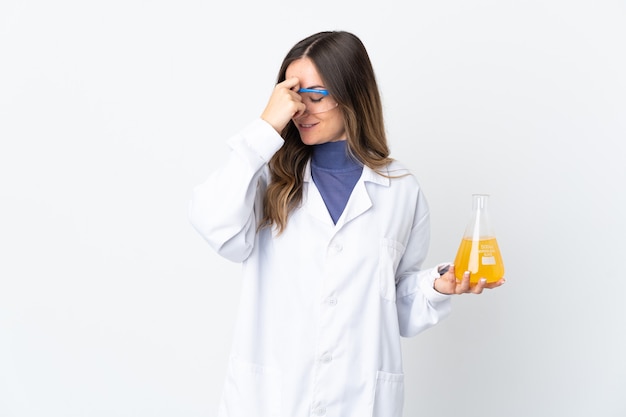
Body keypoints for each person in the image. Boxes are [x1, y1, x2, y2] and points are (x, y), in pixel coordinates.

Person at [189, 30, 504, 417]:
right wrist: (266, 128)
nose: (301, 109)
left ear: (353, 94)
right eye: (292, 95)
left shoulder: (400, 189)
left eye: (316, 96)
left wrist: (437, 286)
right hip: (272, 400)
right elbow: (213, 222)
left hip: (359, 401)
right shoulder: (266, 179)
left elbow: (395, 308)